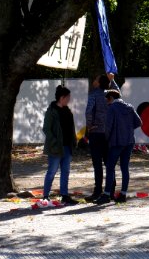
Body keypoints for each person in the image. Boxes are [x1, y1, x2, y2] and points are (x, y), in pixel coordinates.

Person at [85, 72, 121, 204]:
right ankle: (110, 191)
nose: (94, 80)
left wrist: (90, 126)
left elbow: (89, 111)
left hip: (96, 132)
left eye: (96, 78)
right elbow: (119, 94)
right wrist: (113, 80)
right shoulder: (110, 94)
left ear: (99, 82)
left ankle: (97, 191)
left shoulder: (94, 94)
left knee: (97, 164)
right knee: (109, 163)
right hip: (109, 133)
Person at [103, 88, 142, 203]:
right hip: (129, 141)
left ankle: (106, 194)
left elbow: (108, 127)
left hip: (116, 142)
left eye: (106, 99)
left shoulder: (112, 108)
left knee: (110, 167)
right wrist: (128, 129)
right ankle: (123, 194)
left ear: (111, 98)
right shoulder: (129, 107)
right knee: (125, 168)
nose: (106, 102)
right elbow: (139, 122)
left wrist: (107, 139)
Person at [42, 84, 78, 205]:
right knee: (52, 171)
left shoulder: (68, 111)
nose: (69, 100)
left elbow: (71, 128)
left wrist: (74, 141)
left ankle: (64, 195)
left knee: (65, 171)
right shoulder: (51, 111)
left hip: (67, 147)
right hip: (56, 148)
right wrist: (54, 142)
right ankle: (45, 196)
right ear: (62, 98)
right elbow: (46, 129)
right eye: (68, 97)